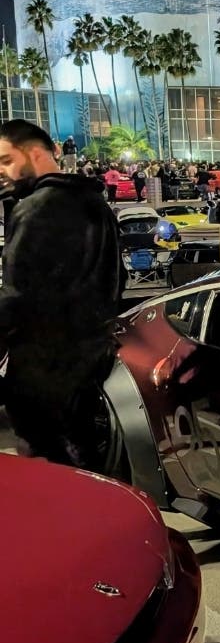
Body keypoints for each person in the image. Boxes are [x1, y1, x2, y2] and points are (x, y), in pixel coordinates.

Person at [0, 120, 121, 468]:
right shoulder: (96, 204)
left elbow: (18, 296)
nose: (3, 171)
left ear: (35, 152)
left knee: (50, 472)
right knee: (85, 462)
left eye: (8, 160)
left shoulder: (36, 207)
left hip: (44, 367)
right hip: (91, 358)